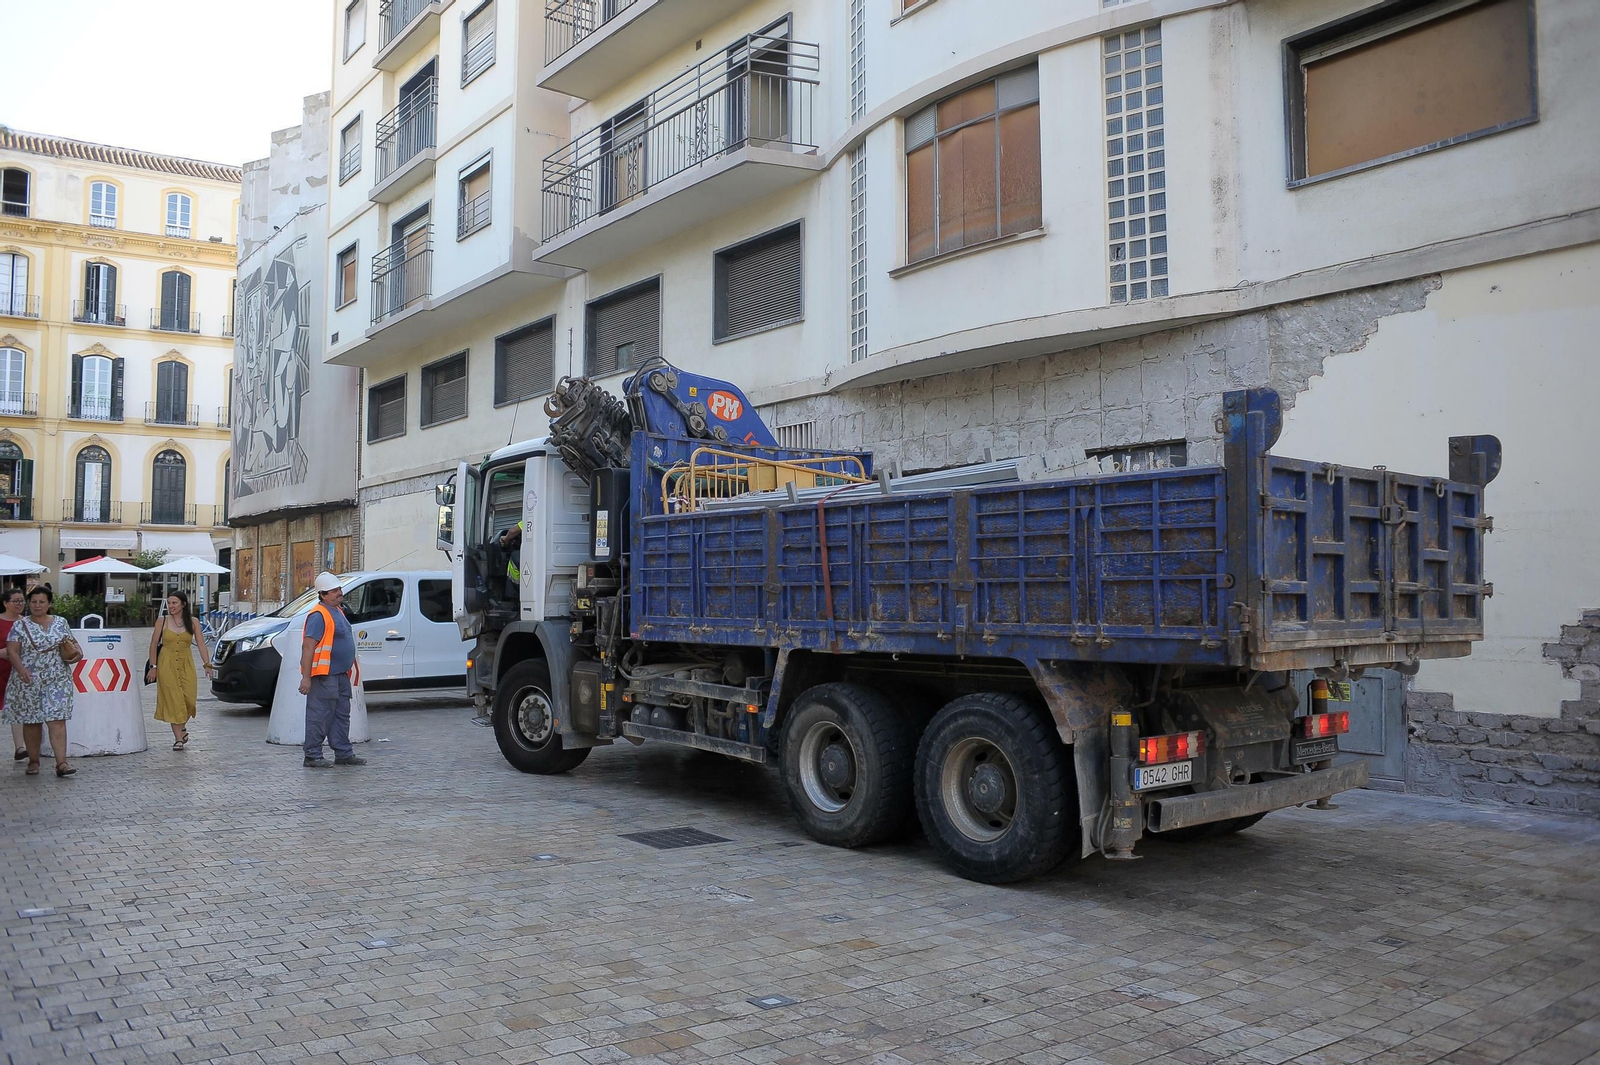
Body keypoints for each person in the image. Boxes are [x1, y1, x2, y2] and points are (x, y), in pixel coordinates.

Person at [4, 587, 77, 777]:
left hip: (57, 679)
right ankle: (34, 761)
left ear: (49, 603)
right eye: (34, 602)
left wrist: (76, 654)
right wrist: (21, 669)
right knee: (32, 721)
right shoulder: (20, 625)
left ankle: (61, 763)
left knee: (57, 719)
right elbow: (12, 650)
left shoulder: (60, 622)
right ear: (29, 604)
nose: (37, 605)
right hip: (29, 679)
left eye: (42, 602)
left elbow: (73, 644)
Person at [298, 571, 365, 768]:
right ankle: (312, 756)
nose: (339, 593)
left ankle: (344, 753)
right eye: (334, 591)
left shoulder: (338, 611)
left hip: (340, 674)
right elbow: (308, 647)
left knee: (341, 715)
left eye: (339, 589)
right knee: (319, 716)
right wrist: (306, 678)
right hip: (324, 676)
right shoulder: (318, 615)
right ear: (323, 595)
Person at [146, 591, 214, 751]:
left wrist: (207, 664)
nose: (171, 606)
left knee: (189, 699)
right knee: (174, 701)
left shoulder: (193, 622)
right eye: (169, 603)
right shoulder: (162, 621)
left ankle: (182, 728)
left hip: (186, 663)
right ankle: (178, 739)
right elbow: (153, 644)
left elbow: (201, 644)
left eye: (174, 603)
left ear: (183, 604)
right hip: (166, 664)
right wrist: (153, 667)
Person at [3, 589, 27, 761]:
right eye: (16, 601)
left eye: (22, 601)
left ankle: (20, 747)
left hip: (17, 671)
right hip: (1, 668)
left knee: (17, 708)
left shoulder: (26, 623)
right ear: (5, 603)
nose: (19, 604)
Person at [498, 520, 523, 602]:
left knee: (515, 557)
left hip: (534, 554)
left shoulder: (534, 516)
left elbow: (513, 531)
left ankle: (513, 596)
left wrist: (505, 539)